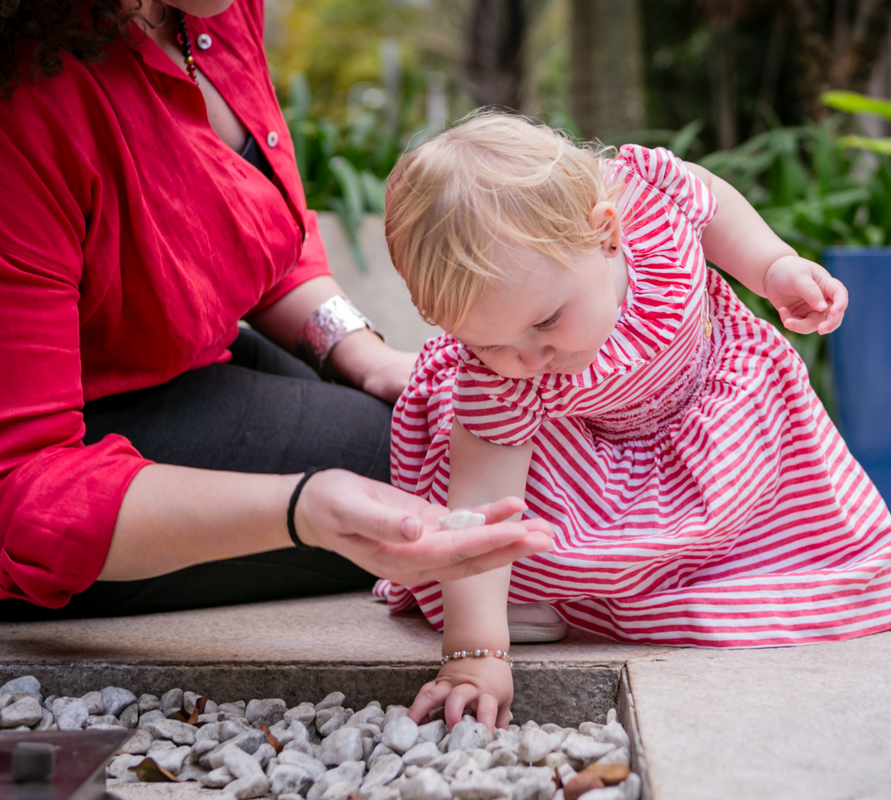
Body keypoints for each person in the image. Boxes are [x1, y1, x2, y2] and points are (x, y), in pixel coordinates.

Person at [0, 1, 553, 620]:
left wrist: (367, 358)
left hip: (182, 356)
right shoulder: (24, 103)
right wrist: (300, 512)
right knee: (435, 464)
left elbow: (252, 227)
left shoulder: (209, 11)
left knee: (446, 419)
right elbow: (18, 487)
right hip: (81, 443)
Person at [375, 113, 891, 730]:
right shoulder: (499, 379)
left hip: (713, 416)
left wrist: (772, 267)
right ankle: (532, 590)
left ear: (606, 234)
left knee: (787, 527)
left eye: (546, 321)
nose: (530, 358)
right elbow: (482, 506)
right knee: (509, 494)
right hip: (580, 464)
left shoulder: (649, 201)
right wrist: (474, 655)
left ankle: (759, 572)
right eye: (490, 343)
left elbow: (714, 206)